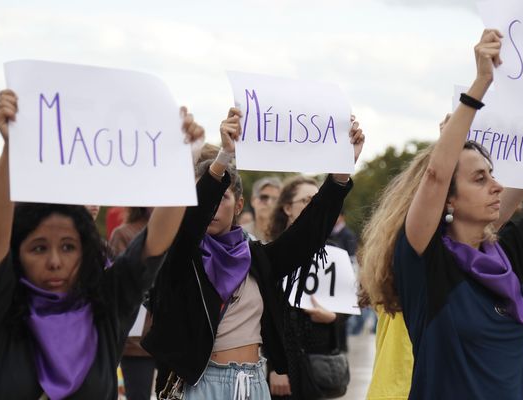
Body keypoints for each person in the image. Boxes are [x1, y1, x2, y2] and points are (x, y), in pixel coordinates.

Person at [359, 29, 523, 399]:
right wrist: (480, 83)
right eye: (480, 179)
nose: (496, 186)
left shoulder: (509, 253)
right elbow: (434, 176)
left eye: (493, 175)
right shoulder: (426, 262)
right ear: (448, 200)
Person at [0, 90, 205, 399]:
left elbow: (153, 244)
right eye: (38, 247)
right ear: (17, 253)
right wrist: (12, 145)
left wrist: (180, 166)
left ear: (86, 251)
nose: (54, 261)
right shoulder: (0, 304)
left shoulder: (106, 305)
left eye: (67, 247)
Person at [142, 107, 364, 399]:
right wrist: (223, 157)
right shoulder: (182, 256)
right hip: (201, 385)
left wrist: (339, 175)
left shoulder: (255, 257)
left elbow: (306, 236)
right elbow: (191, 223)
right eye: (203, 199)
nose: (212, 207)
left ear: (238, 205)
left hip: (253, 383)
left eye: (223, 198)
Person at [266, 175, 349, 399]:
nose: (315, 206)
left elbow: (346, 306)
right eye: (307, 201)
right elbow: (260, 315)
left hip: (318, 365)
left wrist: (333, 317)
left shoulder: (333, 252)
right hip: (283, 367)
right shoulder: (269, 252)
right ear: (287, 208)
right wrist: (274, 366)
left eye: (318, 200)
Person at [109, 207, 155, 400]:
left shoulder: (183, 231)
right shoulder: (124, 233)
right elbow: (119, 285)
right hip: (137, 341)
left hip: (171, 336)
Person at [242, 176, 282, 242]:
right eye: (264, 197)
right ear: (253, 200)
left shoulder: (285, 235)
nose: (269, 203)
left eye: (275, 199)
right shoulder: (240, 233)